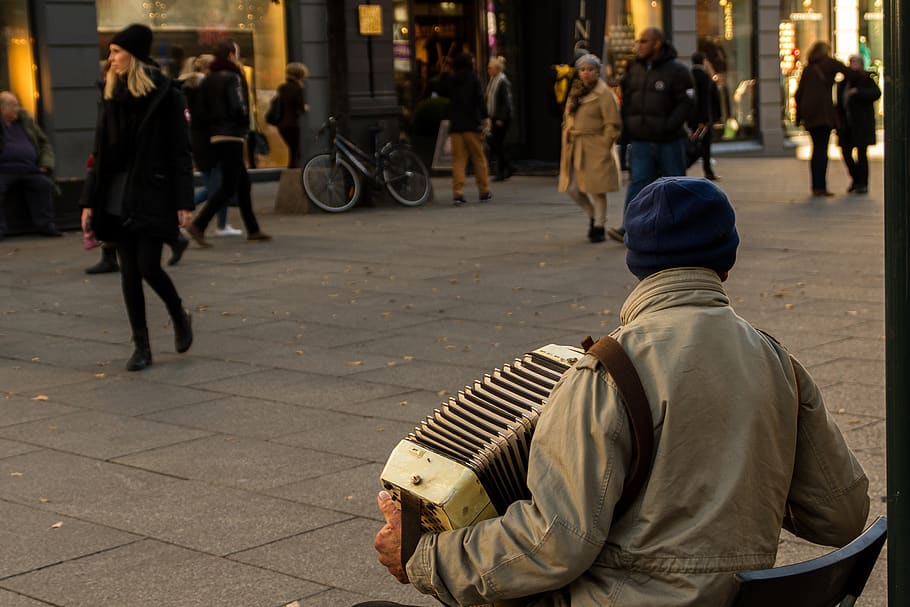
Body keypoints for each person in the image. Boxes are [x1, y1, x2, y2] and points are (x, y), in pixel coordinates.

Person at [370, 176, 870, 607]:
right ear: (727, 262)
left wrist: (425, 556)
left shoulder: (607, 373)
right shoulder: (778, 363)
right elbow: (844, 516)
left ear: (638, 264)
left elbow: (554, 545)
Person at [79, 23, 194, 371]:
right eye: (110, 52)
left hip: (152, 189)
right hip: (114, 192)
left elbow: (180, 151)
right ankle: (141, 345)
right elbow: (99, 152)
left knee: (147, 266)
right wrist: (87, 200)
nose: (110, 58)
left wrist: (184, 201)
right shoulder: (110, 93)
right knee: (128, 271)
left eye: (116, 51)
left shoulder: (166, 95)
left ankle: (178, 313)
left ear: (135, 55)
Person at [606, 28, 694, 243]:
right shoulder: (634, 69)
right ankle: (630, 229)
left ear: (658, 44)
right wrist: (629, 128)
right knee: (638, 183)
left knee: (675, 183)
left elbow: (686, 103)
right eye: (638, 41)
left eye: (644, 41)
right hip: (641, 141)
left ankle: (680, 229)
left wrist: (669, 126)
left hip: (669, 141)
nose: (639, 45)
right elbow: (626, 100)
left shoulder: (677, 71)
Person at [185, 39, 271, 246]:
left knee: (243, 184)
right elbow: (237, 105)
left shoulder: (210, 78)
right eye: (237, 53)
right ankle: (199, 224)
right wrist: (243, 124)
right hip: (231, 134)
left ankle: (253, 228)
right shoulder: (233, 76)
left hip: (215, 135)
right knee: (229, 185)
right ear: (231, 55)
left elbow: (201, 110)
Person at [557, 53, 621, 243]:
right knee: (572, 187)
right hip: (574, 145)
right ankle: (592, 214)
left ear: (597, 71)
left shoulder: (604, 94)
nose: (586, 73)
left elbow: (612, 123)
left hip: (595, 145)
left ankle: (599, 225)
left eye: (590, 70)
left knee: (597, 189)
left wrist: (604, 145)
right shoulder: (575, 91)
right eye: (583, 69)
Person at [178, 54, 241, 237]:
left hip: (198, 141)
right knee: (216, 186)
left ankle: (220, 223)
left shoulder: (189, 87)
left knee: (215, 185)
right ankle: (216, 224)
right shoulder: (206, 87)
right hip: (210, 141)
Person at [0, 91, 62, 239]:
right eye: (14, 106)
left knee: (43, 184)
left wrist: (46, 164)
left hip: (30, 169)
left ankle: (46, 225)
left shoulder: (25, 122)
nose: (18, 109)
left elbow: (44, 143)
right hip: (4, 170)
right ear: (2, 108)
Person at [435, 51, 492, 205]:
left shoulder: (452, 79)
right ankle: (484, 191)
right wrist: (485, 117)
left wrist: (444, 74)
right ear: (469, 63)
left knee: (458, 160)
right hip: (472, 125)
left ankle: (458, 192)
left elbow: (440, 89)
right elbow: (480, 99)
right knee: (479, 159)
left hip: (456, 126)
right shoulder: (474, 78)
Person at [794, 41, 849, 197]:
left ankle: (816, 185)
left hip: (809, 114)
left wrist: (799, 116)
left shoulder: (808, 68)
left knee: (816, 148)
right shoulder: (828, 63)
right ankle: (820, 187)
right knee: (821, 150)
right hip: (822, 114)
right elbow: (849, 72)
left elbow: (799, 94)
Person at [836, 54, 881, 195]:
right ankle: (856, 178)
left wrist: (858, 92)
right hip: (846, 124)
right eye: (851, 63)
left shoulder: (866, 80)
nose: (853, 65)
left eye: (856, 63)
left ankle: (862, 183)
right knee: (846, 152)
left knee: (862, 154)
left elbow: (875, 93)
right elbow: (840, 103)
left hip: (862, 124)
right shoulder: (844, 82)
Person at [687, 51, 721, 180]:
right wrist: (707, 118)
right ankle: (706, 170)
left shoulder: (689, 75)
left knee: (695, 142)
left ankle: (706, 170)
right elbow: (707, 100)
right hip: (704, 118)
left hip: (693, 118)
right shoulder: (705, 77)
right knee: (702, 145)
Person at [276, 62, 310, 169]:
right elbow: (300, 107)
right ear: (301, 75)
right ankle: (292, 176)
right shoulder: (298, 88)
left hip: (281, 124)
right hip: (293, 124)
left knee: (293, 151)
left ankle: (291, 173)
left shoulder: (282, 87)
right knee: (295, 152)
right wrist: (305, 107)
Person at [485, 56, 513, 181]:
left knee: (498, 144)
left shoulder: (502, 81)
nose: (488, 70)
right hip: (494, 117)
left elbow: (506, 102)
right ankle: (507, 167)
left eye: (490, 68)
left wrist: (501, 118)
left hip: (501, 118)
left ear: (497, 69)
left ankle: (503, 170)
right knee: (496, 144)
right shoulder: (493, 80)